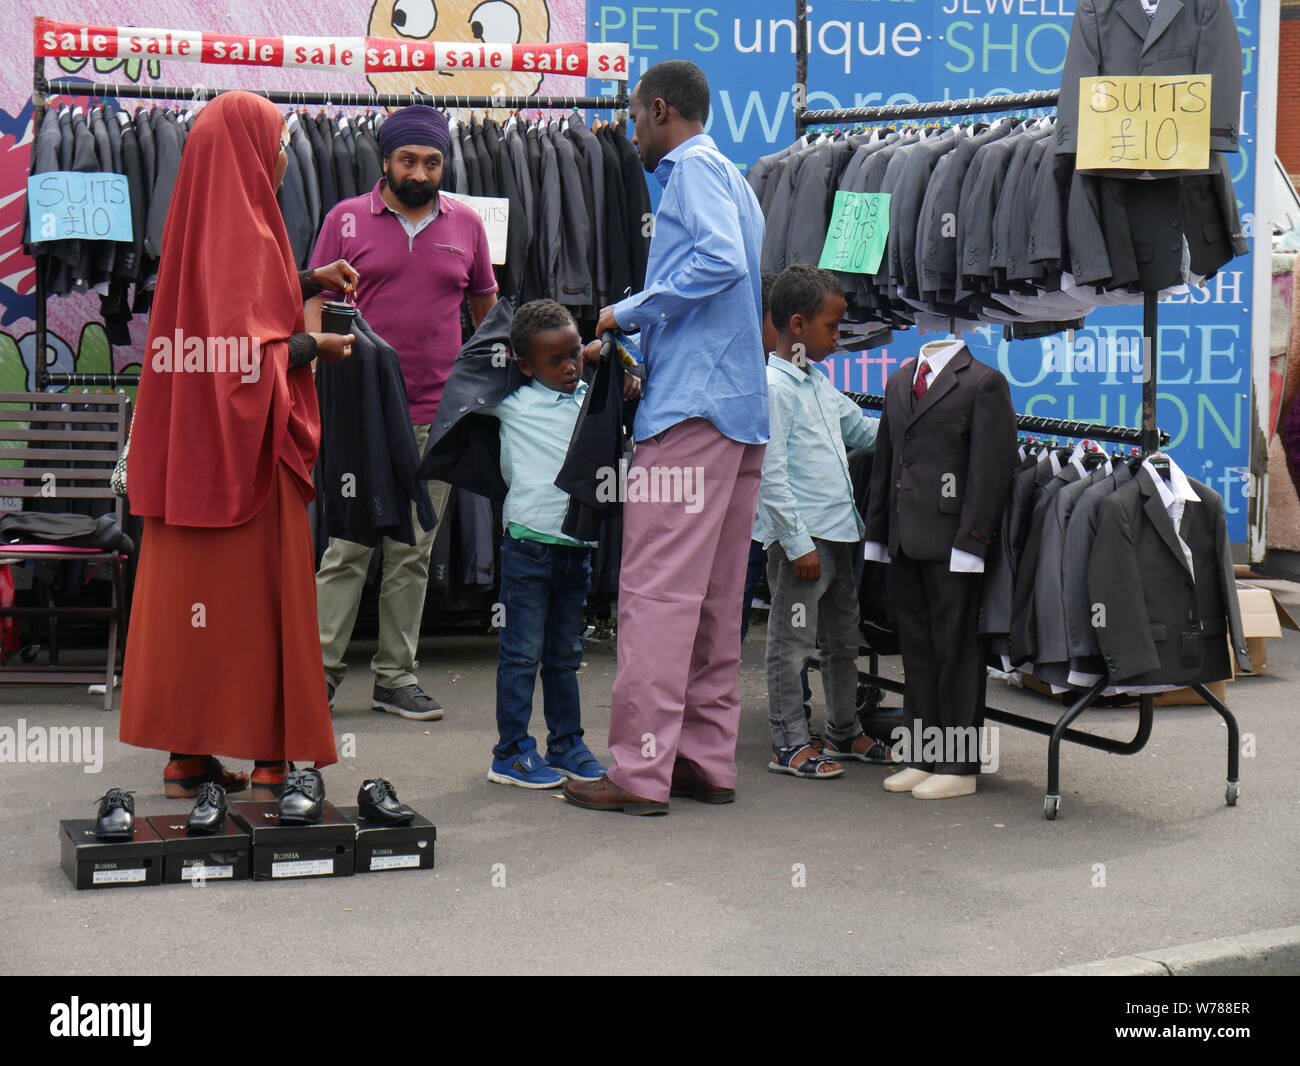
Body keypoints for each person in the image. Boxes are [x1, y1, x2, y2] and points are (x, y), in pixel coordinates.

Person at [121, 92, 356, 797]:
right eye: (280, 140)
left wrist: (307, 281)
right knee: (260, 604)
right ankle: (270, 758)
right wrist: (316, 344)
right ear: (254, 149)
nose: (286, 155)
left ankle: (187, 757)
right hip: (245, 458)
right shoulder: (252, 229)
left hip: (187, 457)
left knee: (191, 606)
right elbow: (242, 357)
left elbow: (226, 319)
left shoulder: (198, 221)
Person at [563, 60, 768, 815]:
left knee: (653, 597)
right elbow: (732, 279)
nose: (633, 135)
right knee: (715, 601)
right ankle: (704, 762)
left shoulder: (687, 171)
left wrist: (628, 312)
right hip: (738, 414)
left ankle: (640, 773)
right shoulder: (736, 179)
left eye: (635, 119)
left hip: (690, 416)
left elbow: (714, 265)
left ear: (658, 111)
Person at [308, 105, 498, 722]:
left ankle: (395, 676)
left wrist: (479, 387)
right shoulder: (344, 219)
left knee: (414, 549)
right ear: (385, 160)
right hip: (360, 414)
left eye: (432, 161)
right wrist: (317, 373)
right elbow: (314, 301)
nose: (420, 172)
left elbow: (485, 307)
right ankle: (318, 676)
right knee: (348, 544)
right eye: (409, 160)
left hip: (435, 412)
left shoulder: (466, 224)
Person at [485, 300, 638, 788]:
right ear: (524, 365)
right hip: (528, 548)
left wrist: (603, 362)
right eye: (555, 360)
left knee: (565, 654)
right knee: (521, 655)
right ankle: (509, 753)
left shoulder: (589, 398)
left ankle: (567, 744)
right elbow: (471, 362)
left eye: (574, 353)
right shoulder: (511, 403)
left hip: (576, 549)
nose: (570, 366)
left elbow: (628, 382)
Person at [754, 265, 894, 779]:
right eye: (832, 328)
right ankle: (788, 742)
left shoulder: (816, 382)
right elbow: (770, 474)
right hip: (805, 546)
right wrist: (796, 543)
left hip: (838, 535)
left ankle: (842, 730)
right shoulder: (774, 388)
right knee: (791, 645)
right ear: (796, 325)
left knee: (843, 640)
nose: (839, 337)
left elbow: (863, 431)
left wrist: (918, 415)